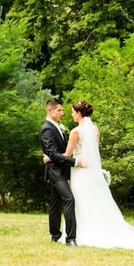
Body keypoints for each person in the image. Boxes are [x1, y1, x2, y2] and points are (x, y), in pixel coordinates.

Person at [44, 100, 134, 250]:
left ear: (78, 113)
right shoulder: (95, 130)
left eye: (72, 112)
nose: (69, 114)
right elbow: (93, 152)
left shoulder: (75, 132)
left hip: (79, 171)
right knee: (94, 200)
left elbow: (67, 154)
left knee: (80, 202)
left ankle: (80, 234)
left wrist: (49, 157)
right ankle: (95, 230)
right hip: (92, 171)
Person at [39, 98, 82, 247]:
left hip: (61, 169)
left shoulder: (57, 126)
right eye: (59, 110)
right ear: (49, 111)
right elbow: (51, 152)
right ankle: (70, 239)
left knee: (55, 204)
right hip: (55, 172)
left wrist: (52, 157)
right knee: (69, 199)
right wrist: (74, 162)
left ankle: (55, 235)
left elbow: (58, 152)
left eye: (63, 110)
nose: (62, 113)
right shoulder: (46, 128)